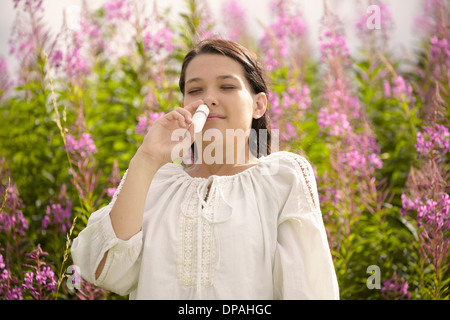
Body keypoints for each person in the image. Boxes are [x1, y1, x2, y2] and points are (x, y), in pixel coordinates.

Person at [71, 38, 339, 300]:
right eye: (195, 90)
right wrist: (147, 158)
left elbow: (309, 290)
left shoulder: (282, 178)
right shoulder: (156, 181)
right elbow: (104, 270)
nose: (209, 99)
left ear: (259, 105)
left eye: (227, 86)